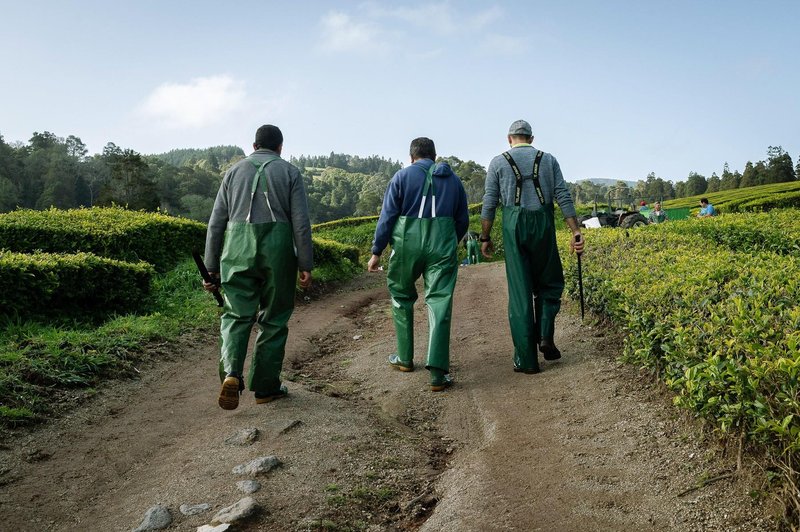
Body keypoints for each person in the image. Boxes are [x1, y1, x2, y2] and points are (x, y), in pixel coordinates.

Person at [203, 124, 313, 410]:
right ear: (280, 148)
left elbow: (216, 223)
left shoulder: (233, 172)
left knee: (235, 315)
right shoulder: (290, 172)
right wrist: (305, 263)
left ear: (254, 146)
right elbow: (300, 223)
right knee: (274, 318)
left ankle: (231, 374)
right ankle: (266, 387)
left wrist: (211, 267)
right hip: (277, 251)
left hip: (237, 250)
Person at [480, 119, 584, 374]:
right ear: (532, 138)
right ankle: (545, 335)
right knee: (550, 283)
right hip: (543, 223)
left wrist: (485, 237)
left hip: (513, 225)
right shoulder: (548, 160)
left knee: (520, 294)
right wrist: (575, 230)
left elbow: (489, 202)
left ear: (509, 139)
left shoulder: (497, 162)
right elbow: (563, 195)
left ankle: (526, 361)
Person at [367, 138, 469, 391]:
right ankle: (436, 373)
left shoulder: (401, 177)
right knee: (439, 301)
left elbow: (388, 216)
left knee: (401, 295)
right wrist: (449, 241)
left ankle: (404, 358)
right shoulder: (453, 180)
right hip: (442, 243)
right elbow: (463, 218)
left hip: (406, 244)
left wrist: (377, 251)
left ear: (411, 156)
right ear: (434, 156)